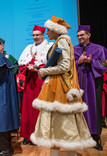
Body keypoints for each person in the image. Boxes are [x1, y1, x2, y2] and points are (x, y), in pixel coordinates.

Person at [31, 16, 96, 156]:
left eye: (48, 30)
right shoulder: (60, 41)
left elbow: (65, 66)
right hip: (56, 86)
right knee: (58, 124)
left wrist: (44, 71)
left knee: (65, 124)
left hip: (60, 88)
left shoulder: (62, 41)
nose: (47, 33)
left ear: (55, 30)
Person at [18, 25, 53, 145]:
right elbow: (21, 64)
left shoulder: (50, 46)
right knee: (28, 108)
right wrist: (27, 68)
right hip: (30, 81)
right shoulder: (29, 47)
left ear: (43, 35)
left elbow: (52, 64)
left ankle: (42, 136)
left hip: (42, 80)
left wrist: (38, 68)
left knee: (41, 107)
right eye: (33, 35)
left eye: (38, 35)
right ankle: (27, 136)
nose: (35, 37)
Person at [74, 25, 107, 150]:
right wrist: (79, 62)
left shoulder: (99, 49)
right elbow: (68, 67)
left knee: (94, 109)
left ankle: (95, 138)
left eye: (82, 35)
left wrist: (91, 62)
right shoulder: (73, 49)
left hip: (94, 84)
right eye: (78, 36)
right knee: (78, 109)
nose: (80, 37)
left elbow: (104, 66)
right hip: (78, 84)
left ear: (89, 35)